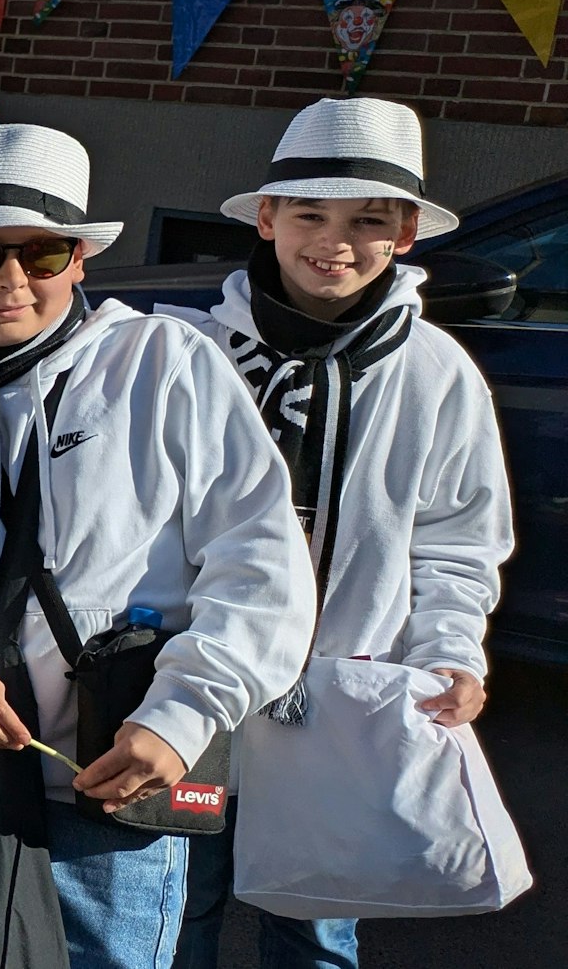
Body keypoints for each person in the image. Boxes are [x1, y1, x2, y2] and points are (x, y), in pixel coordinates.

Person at [0, 123, 317, 969]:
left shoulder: (166, 366)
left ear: (80, 261)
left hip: (110, 797)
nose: (11, 280)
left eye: (43, 254)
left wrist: (182, 715)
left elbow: (260, 564)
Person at [168, 98, 515, 969]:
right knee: (178, 900)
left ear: (405, 231)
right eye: (310, 215)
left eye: (367, 220)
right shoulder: (197, 354)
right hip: (194, 684)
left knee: (318, 926)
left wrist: (450, 651)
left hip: (340, 689)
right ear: (267, 218)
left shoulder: (437, 375)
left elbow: (455, 538)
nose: (336, 242)